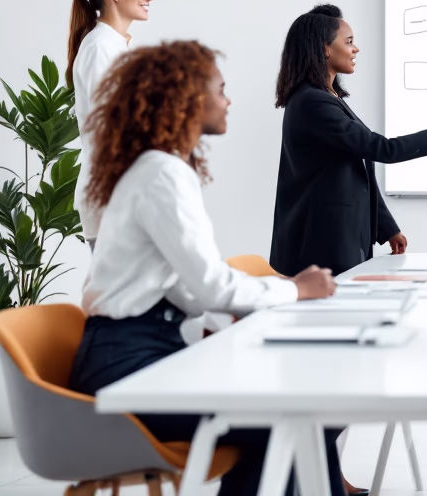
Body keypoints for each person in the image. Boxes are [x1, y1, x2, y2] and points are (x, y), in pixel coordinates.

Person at [71, 41, 342, 496]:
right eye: (220, 88)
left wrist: (249, 300)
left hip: (141, 356)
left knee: (299, 414)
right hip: (128, 369)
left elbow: (190, 290)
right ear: (186, 98)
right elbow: (212, 287)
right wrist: (295, 290)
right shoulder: (161, 173)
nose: (228, 99)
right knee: (297, 416)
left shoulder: (158, 168)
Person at [270, 4, 427, 276]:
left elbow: (359, 168)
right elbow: (381, 149)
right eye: (349, 42)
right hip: (322, 243)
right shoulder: (313, 102)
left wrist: (387, 228)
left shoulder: (328, 98)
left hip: (337, 237)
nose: (356, 49)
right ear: (325, 48)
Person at [66, 0, 153, 249]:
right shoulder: (101, 48)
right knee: (124, 296)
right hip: (114, 198)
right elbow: (110, 129)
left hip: (124, 196)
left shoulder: (114, 47)